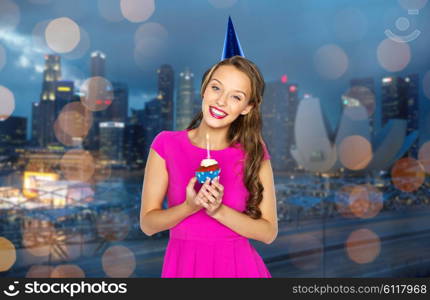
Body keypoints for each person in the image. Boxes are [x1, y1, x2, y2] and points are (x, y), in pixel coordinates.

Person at [140, 55, 278, 278]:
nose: (221, 101)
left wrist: (217, 210)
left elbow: (268, 232)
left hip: (239, 269)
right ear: (204, 89)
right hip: (183, 268)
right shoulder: (166, 144)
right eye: (216, 88)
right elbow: (148, 224)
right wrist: (190, 206)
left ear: (247, 107)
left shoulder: (254, 152)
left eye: (236, 97)